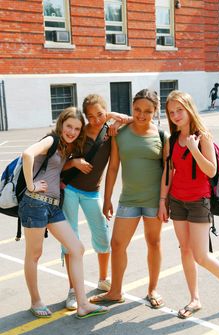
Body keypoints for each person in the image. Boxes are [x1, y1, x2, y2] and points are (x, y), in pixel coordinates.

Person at [18, 107, 109, 319]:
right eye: (69, 126)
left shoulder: (66, 147)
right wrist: (31, 185)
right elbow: (27, 154)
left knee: (76, 248)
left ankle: (83, 304)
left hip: (52, 206)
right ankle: (36, 301)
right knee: (34, 254)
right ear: (61, 124)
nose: (72, 131)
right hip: (35, 203)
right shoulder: (51, 140)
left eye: (77, 129)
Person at [158, 90, 219, 319]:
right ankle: (194, 299)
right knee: (186, 250)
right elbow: (168, 172)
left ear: (189, 109)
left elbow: (210, 170)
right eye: (171, 112)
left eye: (179, 110)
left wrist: (193, 148)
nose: (175, 116)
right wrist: (163, 201)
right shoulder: (171, 140)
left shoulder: (203, 136)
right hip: (177, 202)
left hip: (199, 202)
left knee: (202, 256)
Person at [89, 89, 167, 308]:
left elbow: (168, 171)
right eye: (137, 110)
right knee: (117, 243)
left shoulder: (162, 136)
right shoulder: (120, 133)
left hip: (154, 201)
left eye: (148, 111)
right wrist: (107, 199)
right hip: (128, 200)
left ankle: (152, 289)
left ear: (155, 111)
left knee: (154, 242)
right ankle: (115, 292)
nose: (142, 115)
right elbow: (113, 168)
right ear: (132, 108)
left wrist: (164, 201)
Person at [61, 95, 131, 310]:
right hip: (70, 189)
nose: (96, 120)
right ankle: (73, 290)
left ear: (107, 111)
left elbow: (130, 119)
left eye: (100, 114)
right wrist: (75, 162)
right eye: (90, 116)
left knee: (102, 233)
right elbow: (58, 164)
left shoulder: (110, 131)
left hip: (93, 192)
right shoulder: (79, 131)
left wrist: (109, 118)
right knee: (70, 239)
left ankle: (103, 279)